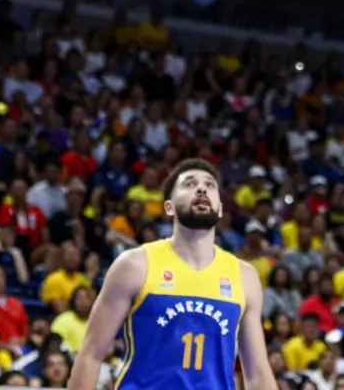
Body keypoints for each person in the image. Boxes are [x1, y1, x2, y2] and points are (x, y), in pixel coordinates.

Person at [68, 157, 275, 390]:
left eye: (209, 185)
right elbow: (91, 354)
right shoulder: (135, 265)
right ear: (169, 206)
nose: (201, 188)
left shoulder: (244, 275)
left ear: (220, 209)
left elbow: (257, 373)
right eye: (189, 184)